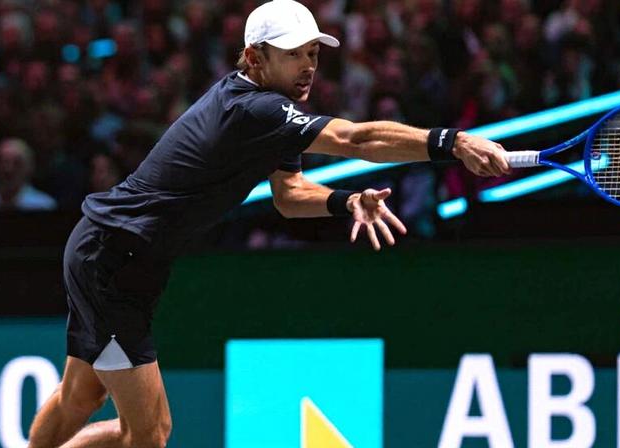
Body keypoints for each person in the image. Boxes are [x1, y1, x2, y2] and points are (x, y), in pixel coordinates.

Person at [27, 0, 510, 446]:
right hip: (115, 260)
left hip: (110, 251)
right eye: (294, 54)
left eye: (313, 55)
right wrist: (453, 142)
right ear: (255, 58)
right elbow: (356, 138)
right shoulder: (256, 110)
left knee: (81, 398)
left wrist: (346, 202)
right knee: (150, 434)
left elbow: (291, 196)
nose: (308, 67)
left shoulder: (269, 112)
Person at [0, 138, 57, 213]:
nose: (8, 170)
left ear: (30, 167)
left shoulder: (44, 207)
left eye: (17, 163)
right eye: (2, 163)